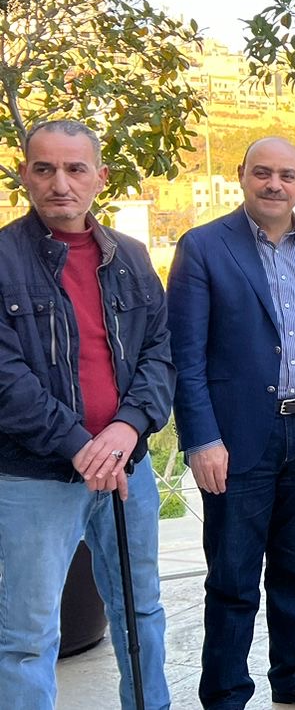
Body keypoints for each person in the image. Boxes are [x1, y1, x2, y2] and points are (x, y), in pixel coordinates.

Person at [168, 137, 295, 710]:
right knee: (233, 576)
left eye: (287, 175)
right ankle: (226, 692)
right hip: (237, 437)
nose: (274, 184)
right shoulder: (204, 247)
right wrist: (202, 439)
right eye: (262, 173)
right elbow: (185, 356)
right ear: (242, 176)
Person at [0, 119, 174, 710]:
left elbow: (159, 352)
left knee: (141, 610)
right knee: (27, 637)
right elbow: (6, 380)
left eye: (75, 169)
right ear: (24, 174)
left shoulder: (130, 256)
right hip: (36, 477)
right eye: (44, 168)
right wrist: (79, 444)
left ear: (100, 177)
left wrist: (127, 428)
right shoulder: (2, 259)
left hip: (129, 471)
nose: (60, 183)